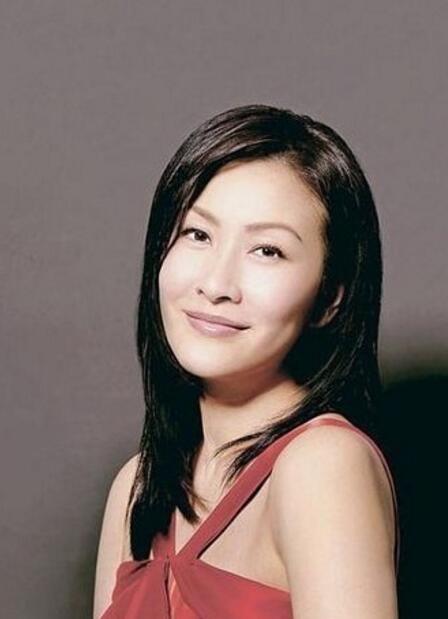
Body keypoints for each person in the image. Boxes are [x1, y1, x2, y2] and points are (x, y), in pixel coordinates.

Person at [93, 103, 400, 618]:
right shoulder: (138, 486)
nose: (215, 284)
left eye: (267, 251)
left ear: (330, 298)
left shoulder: (322, 463)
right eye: (197, 234)